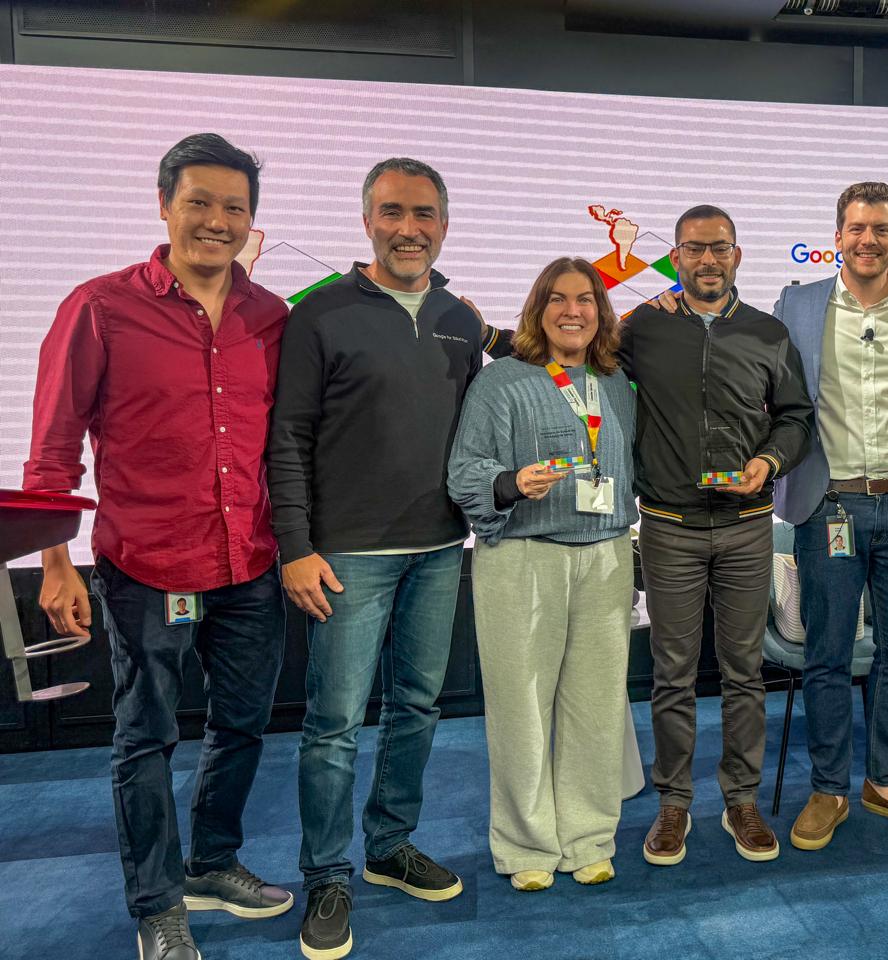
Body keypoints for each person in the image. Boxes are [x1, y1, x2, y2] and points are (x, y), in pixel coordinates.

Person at [24, 133, 292, 960]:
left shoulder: (270, 316)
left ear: (251, 220)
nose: (217, 221)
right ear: (165, 205)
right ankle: (157, 905)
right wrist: (56, 562)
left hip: (249, 559)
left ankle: (212, 863)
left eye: (234, 208)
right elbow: (53, 448)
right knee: (145, 737)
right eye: (199, 202)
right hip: (145, 564)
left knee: (242, 724)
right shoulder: (100, 306)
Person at [267, 158, 482, 960]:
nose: (408, 228)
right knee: (333, 726)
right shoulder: (320, 313)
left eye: (423, 214)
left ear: (444, 226)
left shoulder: (461, 318)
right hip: (347, 557)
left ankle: (390, 845)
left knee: (416, 708)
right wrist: (296, 547)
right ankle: (327, 875)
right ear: (367, 222)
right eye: (392, 212)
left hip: (440, 548)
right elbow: (287, 437)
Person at [625, 205, 814, 866]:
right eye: (694, 248)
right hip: (668, 528)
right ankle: (673, 804)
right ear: (675, 256)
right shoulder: (642, 327)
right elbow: (569, 351)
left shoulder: (766, 331)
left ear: (738, 255)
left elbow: (795, 416)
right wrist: (487, 334)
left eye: (719, 248)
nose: (708, 260)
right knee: (673, 676)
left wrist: (769, 461)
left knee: (744, 673)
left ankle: (741, 801)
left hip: (747, 528)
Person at [771, 181, 888, 849]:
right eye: (856, 228)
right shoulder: (797, 304)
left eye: (880, 229)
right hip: (830, 505)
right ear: (837, 236)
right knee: (826, 655)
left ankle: (885, 782)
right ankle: (828, 789)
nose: (868, 240)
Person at [449, 257, 638, 892]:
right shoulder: (501, 380)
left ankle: (588, 837)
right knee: (521, 707)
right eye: (557, 299)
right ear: (537, 309)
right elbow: (464, 469)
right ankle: (525, 843)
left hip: (605, 556)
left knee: (596, 707)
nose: (572, 311)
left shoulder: (615, 382)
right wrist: (509, 483)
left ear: (600, 313)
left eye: (585, 300)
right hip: (522, 558)